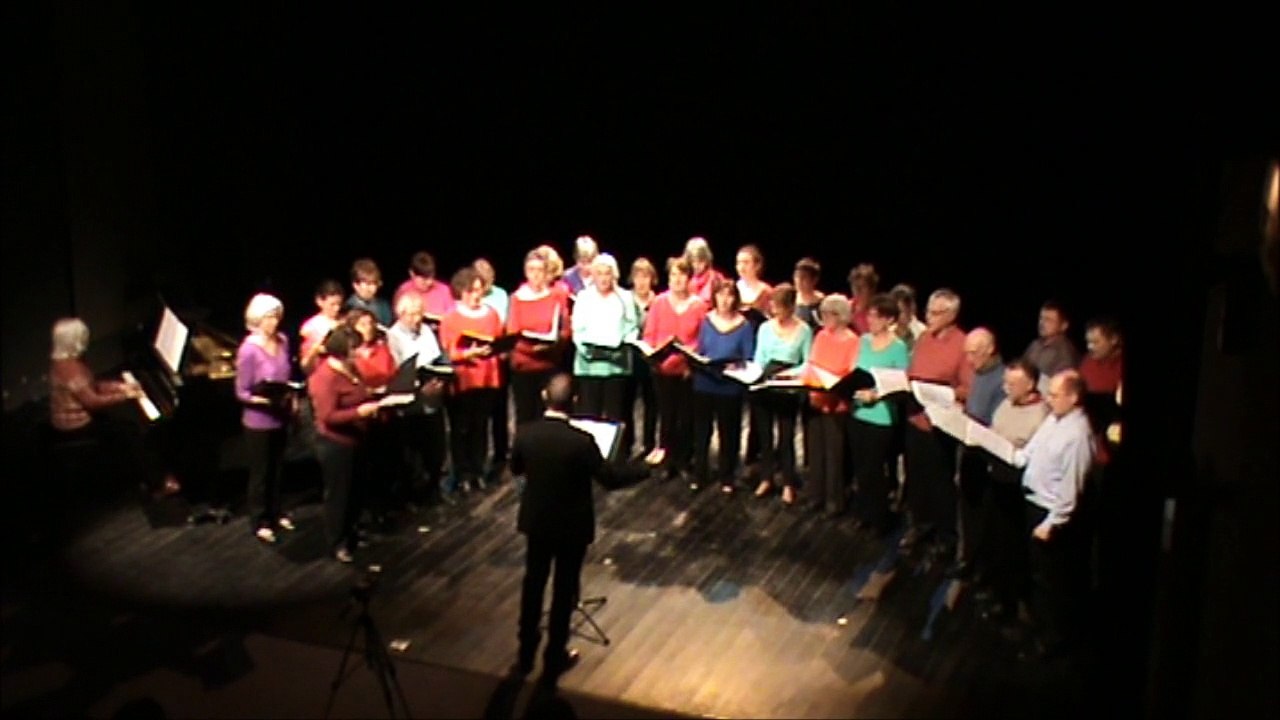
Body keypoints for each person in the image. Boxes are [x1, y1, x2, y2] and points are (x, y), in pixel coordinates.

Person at [510, 373, 646, 677]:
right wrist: (643, 470)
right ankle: (554, 655)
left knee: (533, 584)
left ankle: (524, 653)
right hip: (571, 524)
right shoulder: (582, 442)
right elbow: (609, 480)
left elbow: (517, 469)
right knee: (564, 590)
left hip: (537, 520)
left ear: (545, 396)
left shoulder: (525, 433)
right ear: (575, 401)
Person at [46, 317, 179, 498]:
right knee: (130, 430)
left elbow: (90, 386)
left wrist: (119, 386)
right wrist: (125, 395)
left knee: (125, 421)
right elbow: (93, 401)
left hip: (65, 420)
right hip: (77, 426)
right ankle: (160, 482)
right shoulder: (74, 371)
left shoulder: (61, 362)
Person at [1014, 369, 1095, 659]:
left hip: (1050, 515)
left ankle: (1053, 639)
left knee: (1052, 582)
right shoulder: (1054, 419)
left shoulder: (1078, 434)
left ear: (1073, 398)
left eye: (1054, 395)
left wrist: (1052, 523)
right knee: (1037, 576)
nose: (1048, 400)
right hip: (1033, 504)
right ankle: (1039, 627)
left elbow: (1071, 489)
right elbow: (1031, 450)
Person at [975, 358, 1049, 624]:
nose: (1005, 389)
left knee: (1011, 548)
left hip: (1016, 489)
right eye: (1005, 382)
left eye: (1012, 384)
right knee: (994, 539)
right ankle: (996, 590)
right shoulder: (1007, 403)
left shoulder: (1040, 415)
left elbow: (1034, 457)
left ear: (1030, 385)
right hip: (995, 479)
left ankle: (1011, 603)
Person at [900, 289, 973, 555]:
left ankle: (945, 536)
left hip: (940, 425)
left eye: (935, 312)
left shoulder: (963, 345)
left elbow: (968, 388)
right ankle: (918, 525)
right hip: (915, 417)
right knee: (916, 477)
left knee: (939, 481)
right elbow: (912, 371)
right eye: (928, 310)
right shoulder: (924, 339)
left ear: (952, 315)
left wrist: (942, 393)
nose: (927, 316)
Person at [308, 325, 384, 563]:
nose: (358, 351)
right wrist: (360, 412)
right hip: (335, 444)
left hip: (356, 439)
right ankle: (337, 542)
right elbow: (328, 416)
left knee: (356, 490)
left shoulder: (351, 369)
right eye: (354, 348)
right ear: (340, 350)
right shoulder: (324, 377)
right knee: (339, 495)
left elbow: (358, 392)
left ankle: (353, 531)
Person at [234, 293, 297, 544]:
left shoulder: (282, 340)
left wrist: (289, 399)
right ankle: (259, 520)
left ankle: (276, 510)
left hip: (280, 415)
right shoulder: (248, 350)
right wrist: (266, 401)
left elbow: (287, 375)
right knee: (261, 473)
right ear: (257, 320)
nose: (273, 323)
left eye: (276, 317)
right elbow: (242, 391)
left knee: (278, 467)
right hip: (258, 421)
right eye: (268, 318)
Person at [439, 266, 505, 492]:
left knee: (480, 426)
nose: (476, 295)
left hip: (486, 378)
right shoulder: (451, 318)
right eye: (470, 291)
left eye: (478, 290)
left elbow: (498, 341)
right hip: (463, 380)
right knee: (461, 428)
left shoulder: (491, 314)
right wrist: (467, 354)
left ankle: (478, 470)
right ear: (461, 292)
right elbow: (448, 353)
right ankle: (462, 472)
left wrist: (497, 350)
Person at [850, 294, 911, 535]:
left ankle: (880, 518)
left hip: (881, 416)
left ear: (888, 319)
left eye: (875, 316)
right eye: (869, 316)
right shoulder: (863, 341)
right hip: (858, 413)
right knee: (861, 467)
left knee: (875, 469)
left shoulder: (898, 348)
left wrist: (876, 394)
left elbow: (900, 384)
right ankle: (864, 513)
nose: (869, 320)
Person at [641, 257, 708, 479]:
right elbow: (649, 334)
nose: (676, 279)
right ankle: (668, 461)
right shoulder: (660, 302)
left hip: (687, 371)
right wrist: (654, 353)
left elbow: (702, 340)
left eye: (681, 275)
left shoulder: (698, 306)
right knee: (667, 417)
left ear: (689, 279)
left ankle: (684, 461)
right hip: (661, 370)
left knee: (685, 418)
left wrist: (691, 363)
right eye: (673, 275)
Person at [690, 280, 755, 493]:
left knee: (729, 433)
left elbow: (749, 357)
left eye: (729, 296)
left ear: (735, 298)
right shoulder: (707, 321)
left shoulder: (744, 326)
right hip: (704, 383)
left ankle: (727, 476)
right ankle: (700, 474)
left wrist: (734, 365)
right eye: (720, 295)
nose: (724, 301)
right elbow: (701, 349)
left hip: (729, 387)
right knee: (701, 432)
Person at [952, 327, 1006, 578]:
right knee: (967, 508)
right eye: (967, 354)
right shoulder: (979, 373)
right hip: (968, 447)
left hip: (985, 455)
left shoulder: (1001, 379)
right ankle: (968, 560)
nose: (969, 360)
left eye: (974, 354)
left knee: (982, 514)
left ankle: (982, 567)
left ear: (990, 350)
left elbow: (996, 423)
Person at [750, 284, 812, 505]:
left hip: (788, 386)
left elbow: (807, 363)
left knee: (786, 438)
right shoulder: (765, 328)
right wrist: (755, 376)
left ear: (791, 307)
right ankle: (766, 478)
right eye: (774, 307)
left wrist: (788, 375)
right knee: (765, 436)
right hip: (765, 384)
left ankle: (788, 482)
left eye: (781, 308)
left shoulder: (804, 330)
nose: (776, 312)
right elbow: (759, 358)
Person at [385, 291, 449, 506]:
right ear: (400, 314)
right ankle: (410, 496)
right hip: (411, 402)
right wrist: (421, 388)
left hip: (433, 399)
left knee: (435, 447)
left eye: (419, 313)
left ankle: (434, 489)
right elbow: (397, 371)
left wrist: (441, 378)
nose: (416, 319)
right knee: (411, 453)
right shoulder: (393, 336)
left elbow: (437, 357)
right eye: (411, 314)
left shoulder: (427, 332)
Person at [801, 294, 860, 517]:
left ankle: (835, 501)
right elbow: (813, 363)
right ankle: (815, 496)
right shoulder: (821, 336)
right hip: (816, 399)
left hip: (837, 404)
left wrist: (833, 383)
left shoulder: (853, 341)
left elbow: (850, 372)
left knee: (835, 454)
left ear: (839, 316)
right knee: (815, 451)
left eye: (826, 314)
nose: (823, 319)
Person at [507, 248, 572, 425]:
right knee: (525, 415)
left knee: (547, 415)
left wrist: (553, 346)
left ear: (546, 273)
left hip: (549, 363)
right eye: (531, 270)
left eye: (540, 270)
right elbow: (513, 333)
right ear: (526, 273)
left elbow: (565, 329)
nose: (535, 275)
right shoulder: (517, 298)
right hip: (524, 366)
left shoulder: (556, 296)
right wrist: (532, 349)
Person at [570, 253, 638, 423]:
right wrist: (587, 351)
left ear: (614, 275)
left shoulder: (625, 297)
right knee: (589, 416)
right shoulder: (584, 297)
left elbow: (632, 327)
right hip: (589, 366)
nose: (603, 278)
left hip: (616, 366)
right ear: (593, 275)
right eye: (599, 273)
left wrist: (624, 344)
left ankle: (618, 449)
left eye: (607, 273)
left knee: (615, 415)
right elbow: (577, 329)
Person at [475, 258, 512, 478]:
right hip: (477, 361)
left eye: (488, 275)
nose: (485, 280)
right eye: (480, 276)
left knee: (500, 410)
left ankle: (501, 454)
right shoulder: (470, 296)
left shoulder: (501, 295)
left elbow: (506, 324)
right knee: (480, 414)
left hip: (499, 358)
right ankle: (478, 460)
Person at [625, 258, 660, 458]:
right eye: (638, 276)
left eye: (645, 276)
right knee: (627, 402)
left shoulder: (658, 301)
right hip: (630, 356)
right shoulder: (625, 299)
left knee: (651, 402)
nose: (641, 281)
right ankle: (628, 443)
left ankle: (649, 444)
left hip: (650, 358)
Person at [1023, 300, 1081, 394]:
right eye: (1041, 318)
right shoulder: (1035, 345)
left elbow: (1059, 387)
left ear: (1064, 325)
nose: (1042, 323)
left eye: (1048, 320)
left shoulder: (1065, 353)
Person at [299, 279, 345, 375]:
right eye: (332, 304)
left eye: (339, 304)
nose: (337, 308)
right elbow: (306, 364)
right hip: (321, 375)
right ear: (319, 301)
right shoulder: (310, 328)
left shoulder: (344, 322)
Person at [393, 251, 455, 321]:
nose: (429, 282)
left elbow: (452, 318)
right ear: (412, 274)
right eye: (424, 279)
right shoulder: (403, 291)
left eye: (432, 277)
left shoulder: (444, 290)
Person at [345, 258, 393, 327]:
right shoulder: (349, 307)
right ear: (356, 285)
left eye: (375, 283)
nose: (373, 288)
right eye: (368, 284)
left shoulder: (384, 305)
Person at [735, 244, 773, 325]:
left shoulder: (766, 292)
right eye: (739, 263)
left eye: (746, 262)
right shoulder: (733, 289)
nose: (741, 267)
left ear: (757, 265)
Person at [684, 237, 726, 303]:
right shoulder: (685, 279)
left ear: (706, 260)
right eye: (693, 261)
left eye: (700, 261)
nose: (696, 265)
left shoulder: (716, 278)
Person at [888, 283, 927, 352]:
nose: (896, 316)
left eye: (901, 311)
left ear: (911, 308)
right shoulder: (889, 331)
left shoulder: (923, 333)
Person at [793, 257, 825, 329]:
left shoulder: (822, 302)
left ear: (814, 280)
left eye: (804, 277)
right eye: (797, 276)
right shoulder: (791, 300)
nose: (799, 281)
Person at [847, 263, 879, 334]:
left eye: (863, 286)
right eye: (855, 286)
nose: (858, 290)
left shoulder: (879, 313)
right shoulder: (846, 307)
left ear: (872, 289)